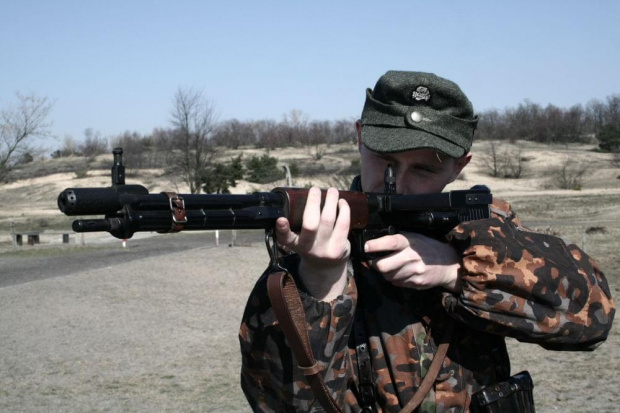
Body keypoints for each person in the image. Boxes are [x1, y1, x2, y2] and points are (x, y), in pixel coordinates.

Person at [238, 71, 615, 412]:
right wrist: (321, 282)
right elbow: (280, 404)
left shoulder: (482, 233)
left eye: (423, 169)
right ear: (359, 137)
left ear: (459, 166)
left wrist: (457, 271)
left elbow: (593, 317)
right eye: (384, 160)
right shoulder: (308, 254)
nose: (397, 184)